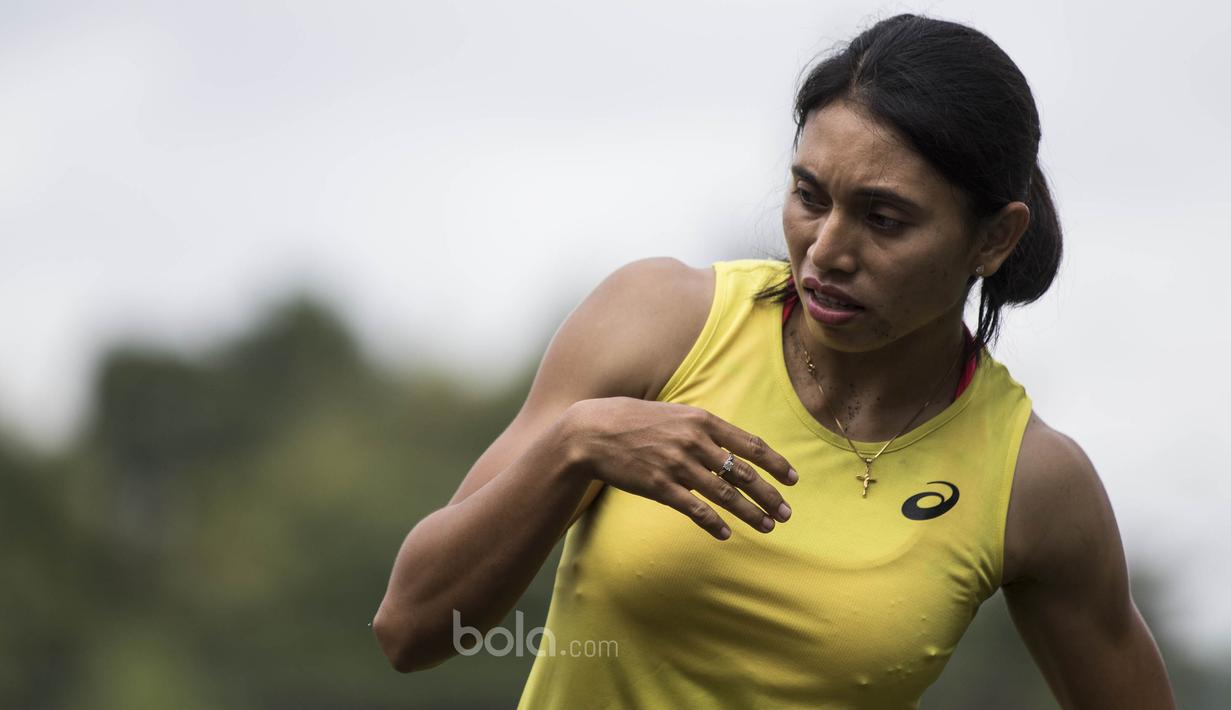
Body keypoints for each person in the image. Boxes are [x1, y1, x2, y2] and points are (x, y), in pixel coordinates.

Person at [372, 13, 1176, 708]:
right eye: (809, 196)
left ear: (994, 238)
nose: (825, 251)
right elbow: (413, 630)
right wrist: (572, 445)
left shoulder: (1030, 483)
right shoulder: (660, 325)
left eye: (883, 219)